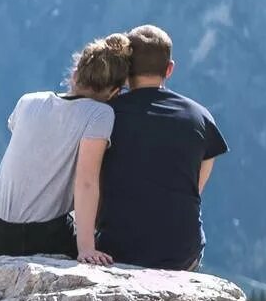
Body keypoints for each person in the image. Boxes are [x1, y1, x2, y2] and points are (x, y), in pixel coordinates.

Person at [0, 34, 131, 262]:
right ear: (115, 92)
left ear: (76, 74)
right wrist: (86, 248)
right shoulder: (100, 114)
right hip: (44, 237)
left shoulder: (28, 101)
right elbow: (86, 182)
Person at [95, 24, 228, 270]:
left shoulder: (104, 116)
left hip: (118, 250)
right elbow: (194, 187)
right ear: (169, 69)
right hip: (181, 254)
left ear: (125, 70)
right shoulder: (200, 117)